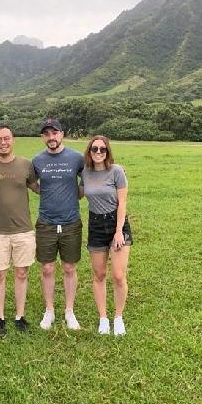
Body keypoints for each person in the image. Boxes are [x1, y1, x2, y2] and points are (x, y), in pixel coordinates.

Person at [0, 125, 39, 336]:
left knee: (21, 273)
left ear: (13, 140)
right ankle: (0, 317)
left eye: (6, 138)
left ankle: (20, 316)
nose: (3, 142)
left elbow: (36, 186)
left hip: (23, 229)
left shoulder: (26, 165)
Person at [32, 117, 85, 331]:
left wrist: (77, 194)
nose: (51, 137)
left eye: (54, 133)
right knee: (47, 268)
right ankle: (50, 310)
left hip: (71, 221)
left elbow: (91, 176)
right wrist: (41, 191)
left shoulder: (76, 158)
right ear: (43, 137)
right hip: (46, 222)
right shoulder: (37, 160)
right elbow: (30, 182)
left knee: (70, 267)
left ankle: (69, 311)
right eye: (46, 134)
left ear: (61, 134)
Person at [83, 136, 132, 336]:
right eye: (94, 149)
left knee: (119, 276)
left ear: (108, 151)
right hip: (95, 224)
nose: (98, 152)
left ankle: (118, 317)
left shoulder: (117, 172)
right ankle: (103, 317)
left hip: (116, 223)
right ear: (89, 151)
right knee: (99, 274)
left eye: (102, 149)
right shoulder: (85, 172)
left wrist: (119, 230)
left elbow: (122, 202)